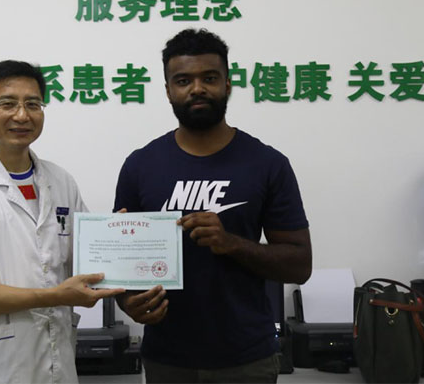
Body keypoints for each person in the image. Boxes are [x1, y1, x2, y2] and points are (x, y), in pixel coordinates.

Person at [113, 29, 312, 383]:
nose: (197, 89)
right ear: (168, 90)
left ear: (228, 84)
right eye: (183, 80)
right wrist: (128, 303)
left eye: (209, 78)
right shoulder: (140, 165)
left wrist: (231, 243)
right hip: (167, 358)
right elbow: (121, 265)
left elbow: (299, 266)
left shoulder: (267, 163)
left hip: (247, 359)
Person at [0, 60, 123, 384]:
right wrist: (56, 296)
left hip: (57, 366)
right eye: (8, 103)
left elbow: (84, 259)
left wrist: (119, 240)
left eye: (33, 104)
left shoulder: (61, 181)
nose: (22, 115)